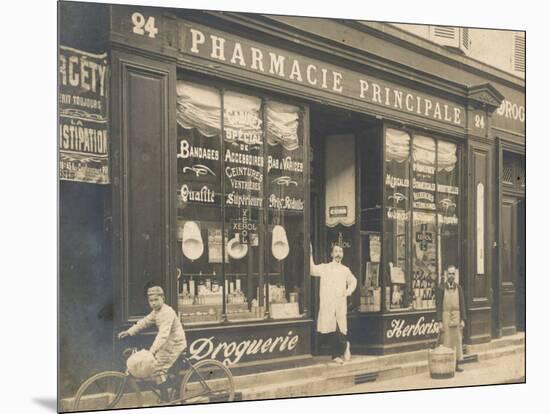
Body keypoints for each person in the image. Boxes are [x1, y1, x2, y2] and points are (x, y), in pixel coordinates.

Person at [118, 286, 187, 402]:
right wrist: (129, 332)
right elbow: (144, 322)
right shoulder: (156, 312)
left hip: (175, 343)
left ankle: (168, 397)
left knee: (157, 369)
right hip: (167, 344)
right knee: (158, 370)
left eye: (156, 299)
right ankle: (175, 389)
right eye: (151, 301)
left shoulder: (167, 312)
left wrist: (152, 351)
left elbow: (163, 335)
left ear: (163, 299)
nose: (153, 303)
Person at [310, 244, 357, 364]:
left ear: (343, 254)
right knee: (330, 328)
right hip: (327, 303)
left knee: (339, 327)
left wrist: (347, 292)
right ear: (331, 254)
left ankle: (341, 348)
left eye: (340, 252)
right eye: (336, 251)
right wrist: (310, 254)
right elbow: (312, 270)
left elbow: (353, 281)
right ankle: (339, 351)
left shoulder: (345, 270)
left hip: (339, 303)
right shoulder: (325, 267)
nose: (338, 254)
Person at [435, 266, 467, 372]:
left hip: (457, 317)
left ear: (455, 275)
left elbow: (462, 304)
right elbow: (438, 306)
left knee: (457, 341)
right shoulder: (441, 288)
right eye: (449, 273)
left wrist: (463, 319)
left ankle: (456, 364)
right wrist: (439, 321)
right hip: (445, 317)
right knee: (446, 341)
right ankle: (446, 365)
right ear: (446, 274)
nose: (451, 276)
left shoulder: (459, 288)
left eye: (453, 274)